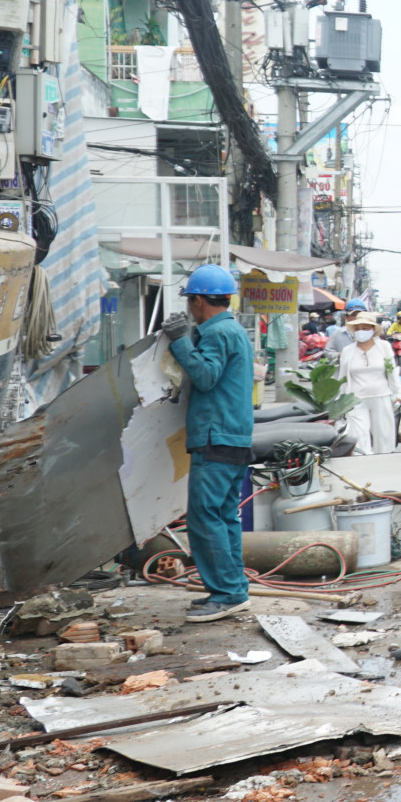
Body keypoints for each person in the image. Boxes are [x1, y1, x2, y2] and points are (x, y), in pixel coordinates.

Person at [161, 264, 254, 624]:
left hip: (216, 436)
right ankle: (232, 590)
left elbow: (205, 375)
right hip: (233, 436)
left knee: (204, 517)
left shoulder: (216, 333)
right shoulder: (234, 330)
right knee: (224, 516)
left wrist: (181, 341)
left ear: (199, 301)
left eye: (190, 301)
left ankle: (227, 593)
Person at [335, 310, 401, 454]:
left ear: (373, 330)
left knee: (383, 435)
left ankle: (384, 463)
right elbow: (343, 379)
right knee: (358, 436)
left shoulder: (384, 347)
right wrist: (340, 401)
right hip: (356, 399)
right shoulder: (347, 351)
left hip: (381, 395)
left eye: (365, 328)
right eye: (357, 329)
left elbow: (392, 372)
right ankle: (362, 464)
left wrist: (397, 393)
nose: (361, 332)